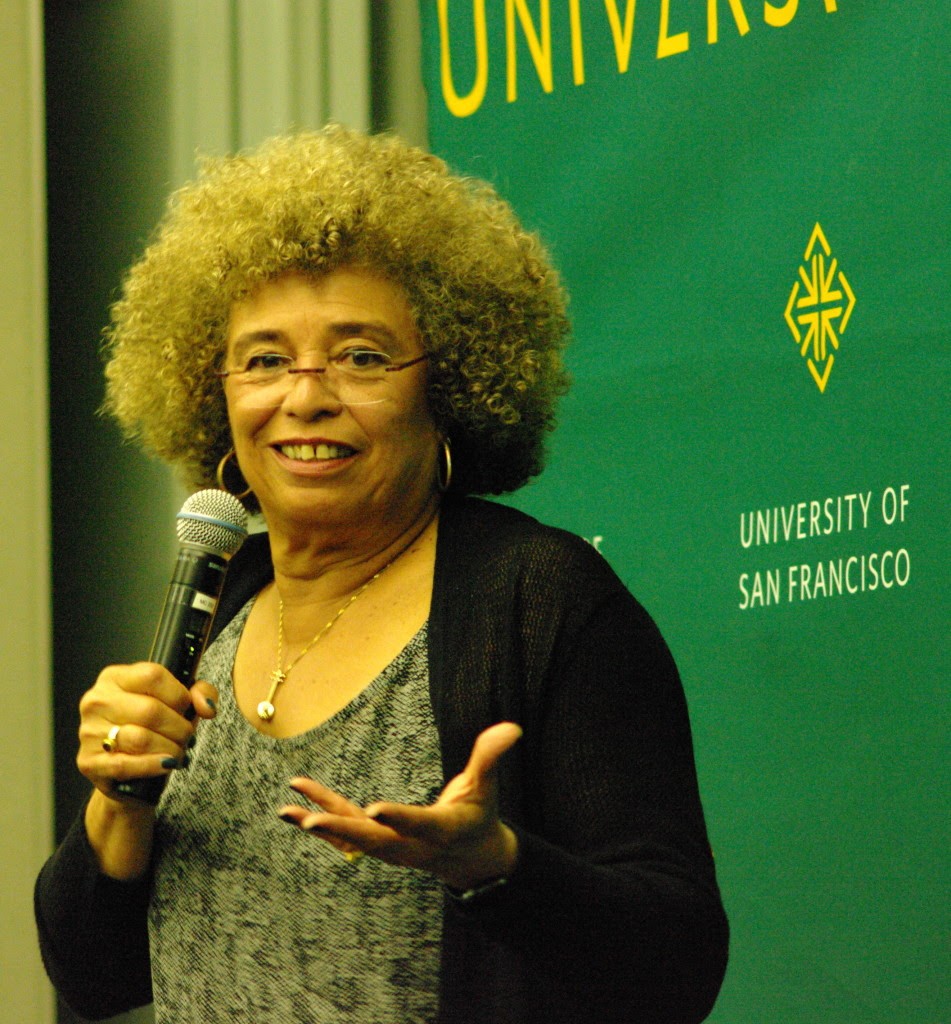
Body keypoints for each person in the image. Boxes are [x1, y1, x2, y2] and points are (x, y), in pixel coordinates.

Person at [35, 125, 728, 1024]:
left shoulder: (538, 599)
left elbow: (676, 966)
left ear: (449, 386)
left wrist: (496, 868)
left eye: (361, 356)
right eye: (264, 359)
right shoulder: (221, 600)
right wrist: (118, 802)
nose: (305, 395)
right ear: (214, 393)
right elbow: (92, 976)